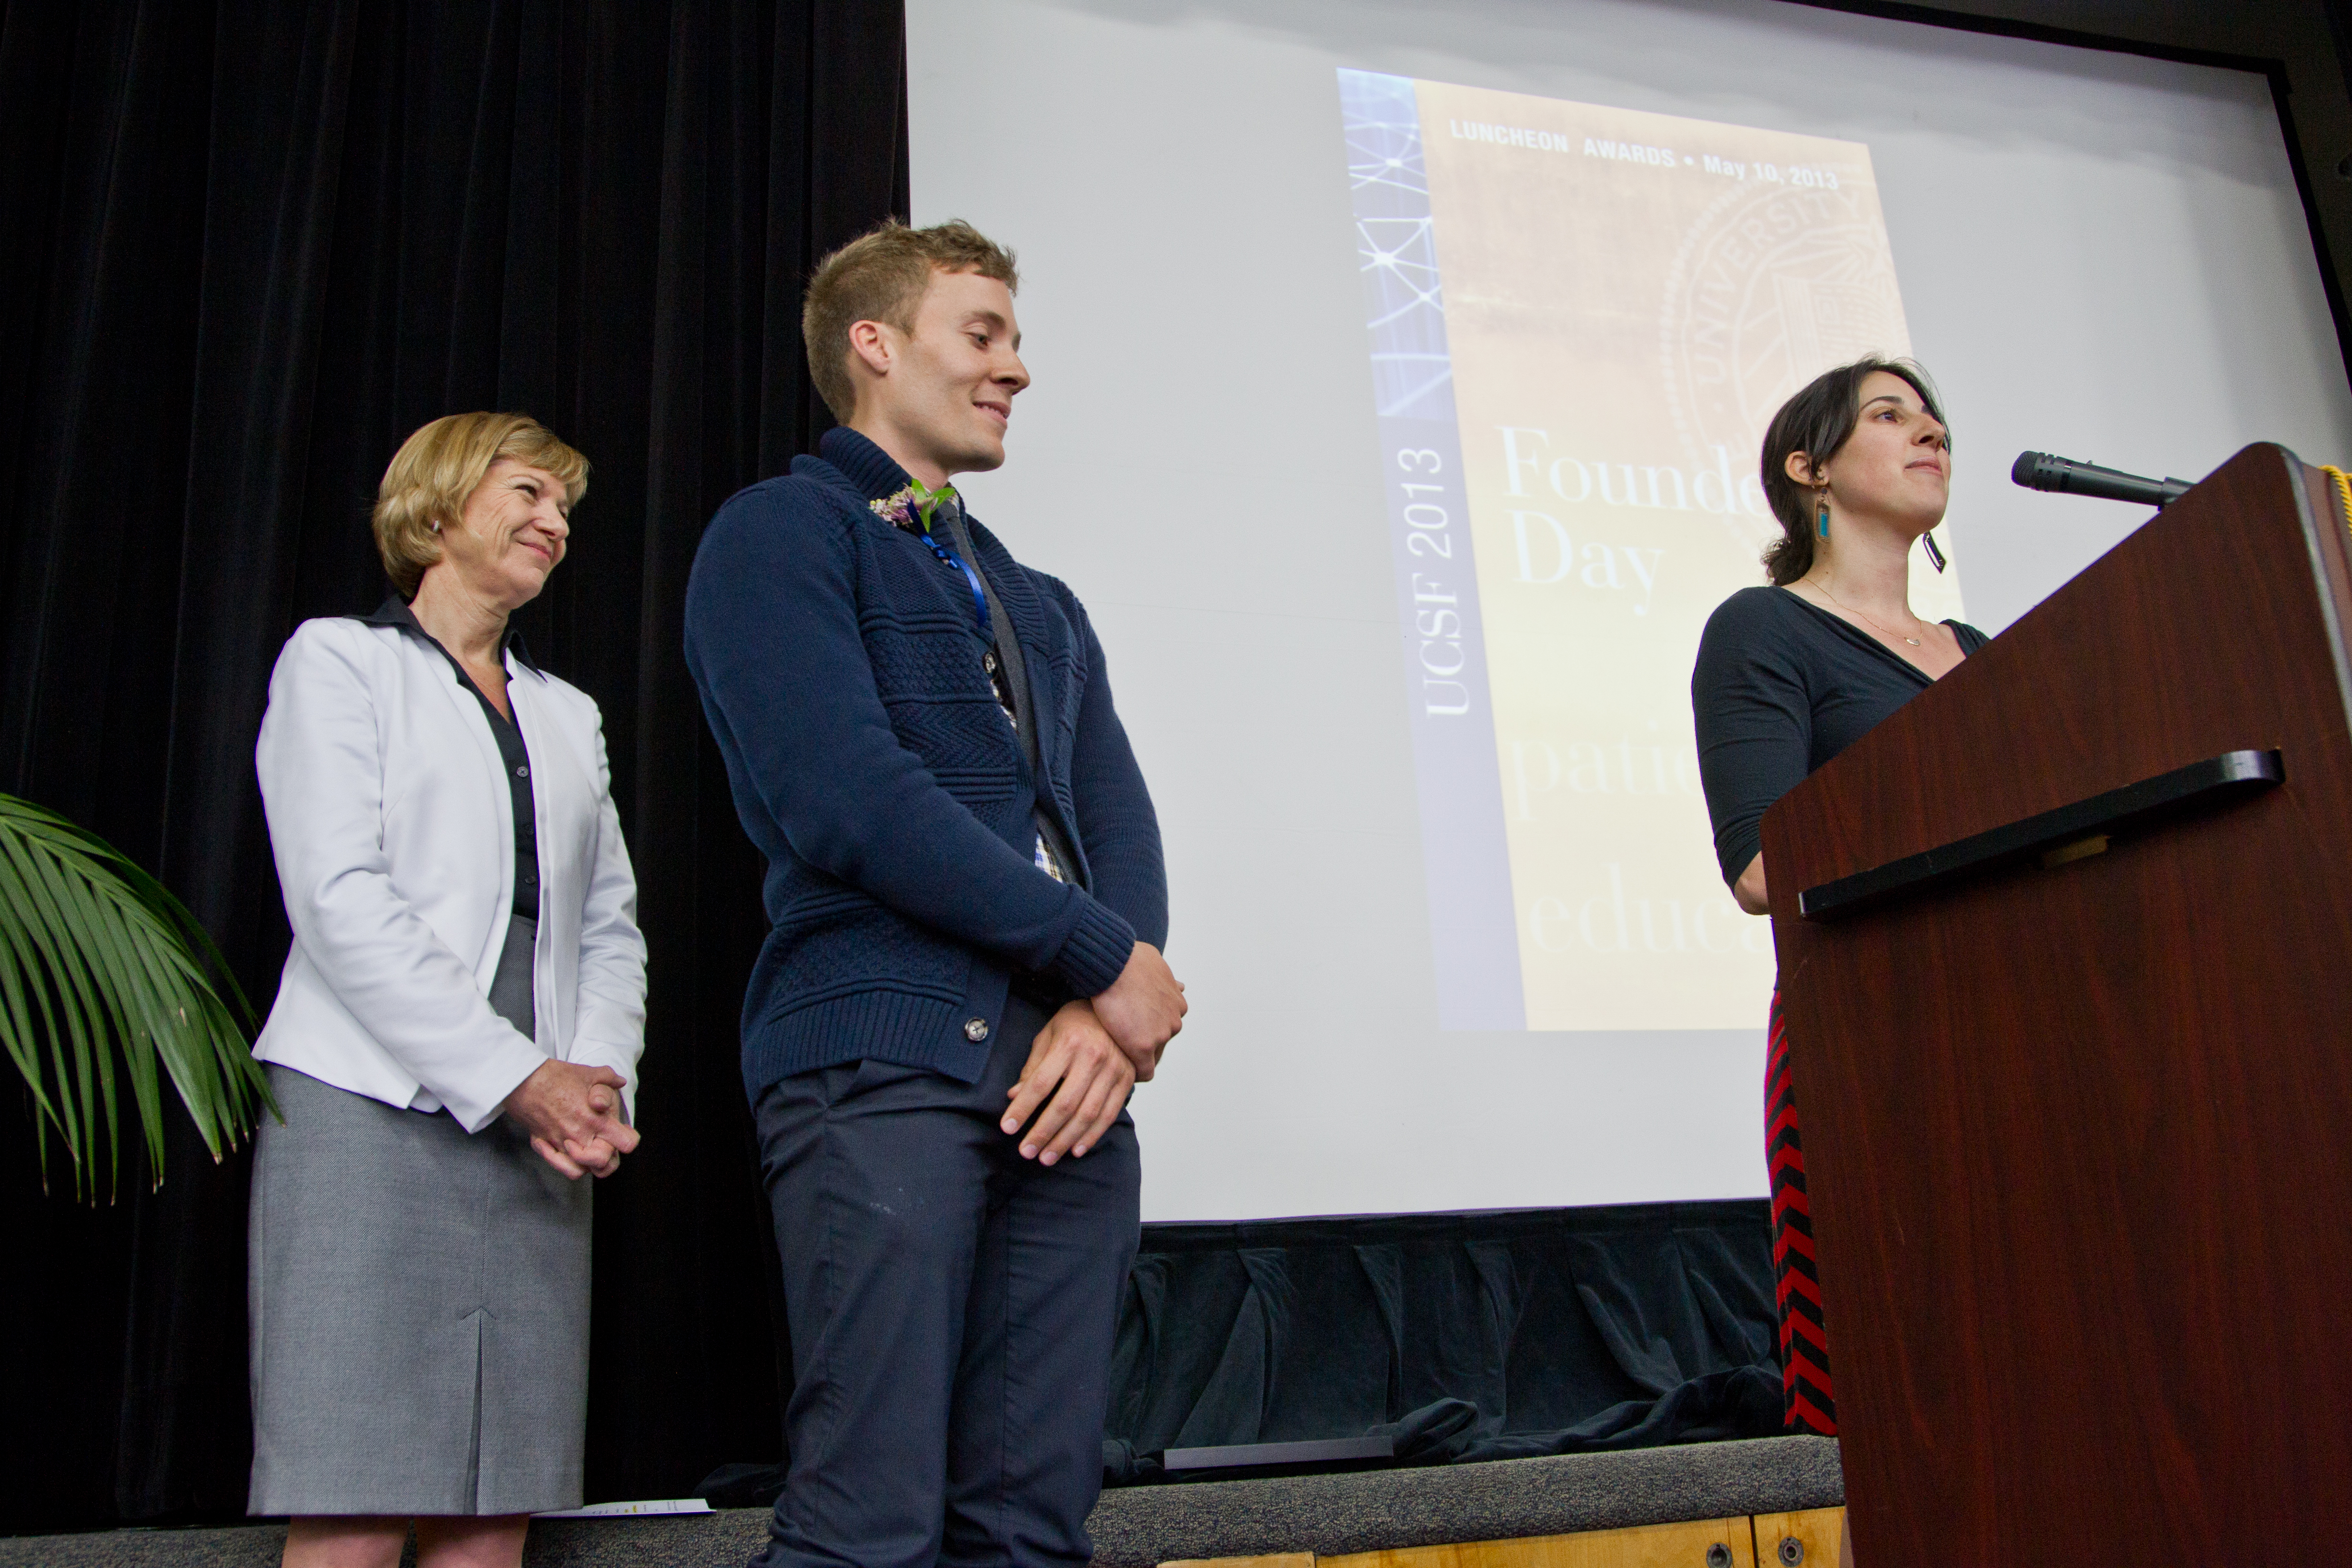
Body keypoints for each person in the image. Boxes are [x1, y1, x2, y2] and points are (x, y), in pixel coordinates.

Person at [684, 219, 1183, 1568]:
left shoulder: (1039, 596)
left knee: (1028, 1528)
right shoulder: (779, 534)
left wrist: (1102, 1010)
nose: (1016, 366)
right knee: (870, 1523)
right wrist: (1104, 957)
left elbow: (1111, 823)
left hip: (1067, 1092)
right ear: (875, 342)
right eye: (985, 334)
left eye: (1016, 338)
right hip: (880, 1060)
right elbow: (850, 799)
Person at [247, 413, 647, 1568]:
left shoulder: (569, 714)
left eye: (564, 508)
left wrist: (594, 1082)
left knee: (496, 1501)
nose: (554, 523)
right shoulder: (339, 661)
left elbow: (608, 921)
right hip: (368, 1106)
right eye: (527, 494)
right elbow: (336, 898)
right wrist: (516, 1075)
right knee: (360, 1492)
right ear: (437, 506)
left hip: (545, 1132)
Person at [1690, 358, 1989, 1440]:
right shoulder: (1764, 630)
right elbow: (1765, 867)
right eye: (1889, 416)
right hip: (1872, 1044)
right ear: (1808, 469)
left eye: (1934, 418)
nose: (1931, 432)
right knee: (1899, 1392)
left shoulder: (1987, 658)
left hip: (2026, 1031)